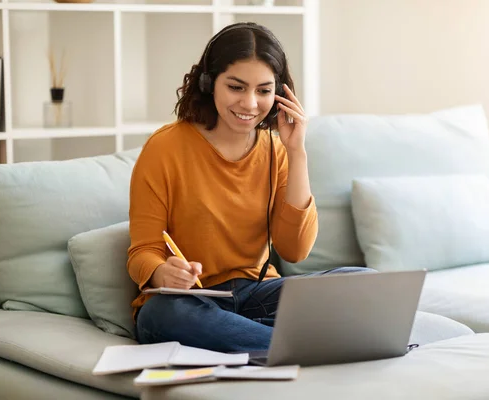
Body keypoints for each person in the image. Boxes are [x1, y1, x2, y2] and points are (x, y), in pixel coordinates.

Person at [127, 22, 371, 353]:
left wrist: (297, 151)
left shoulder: (278, 149)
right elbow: (143, 252)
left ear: (280, 94)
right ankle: (304, 348)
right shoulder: (165, 148)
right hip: (188, 301)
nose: (250, 104)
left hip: (256, 295)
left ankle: (262, 341)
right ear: (209, 82)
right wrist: (161, 274)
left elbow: (295, 251)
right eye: (237, 87)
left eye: (263, 90)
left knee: (361, 282)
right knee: (162, 315)